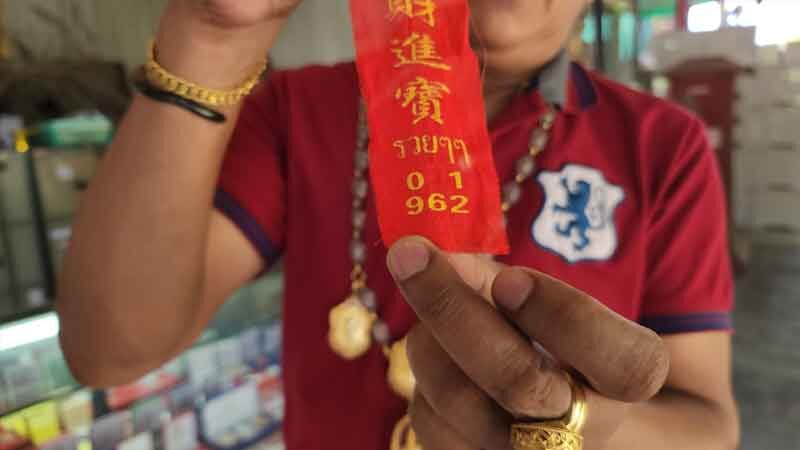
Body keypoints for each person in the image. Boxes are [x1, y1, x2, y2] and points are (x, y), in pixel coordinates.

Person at [56, 1, 740, 449]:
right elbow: (110, 350)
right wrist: (212, 35)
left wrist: (582, 429)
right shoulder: (299, 110)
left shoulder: (660, 145)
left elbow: (707, 426)